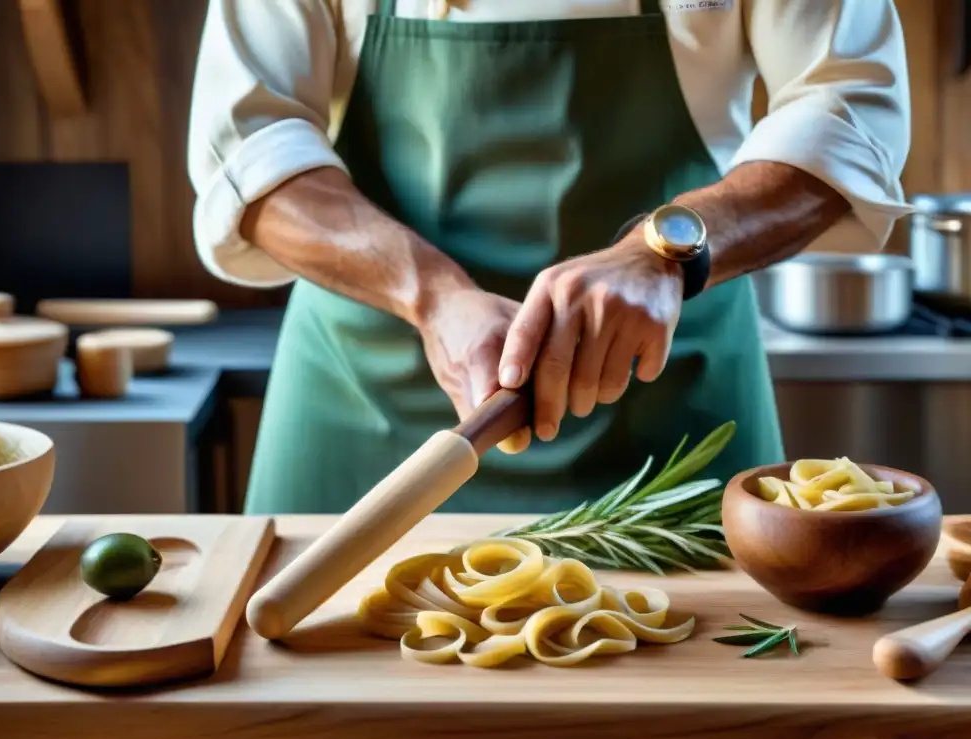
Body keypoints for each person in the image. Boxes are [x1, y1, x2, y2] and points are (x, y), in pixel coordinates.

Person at [187, 0, 912, 516]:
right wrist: (433, 294)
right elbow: (247, 145)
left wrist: (662, 252)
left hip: (666, 410)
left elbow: (848, 106)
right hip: (365, 409)